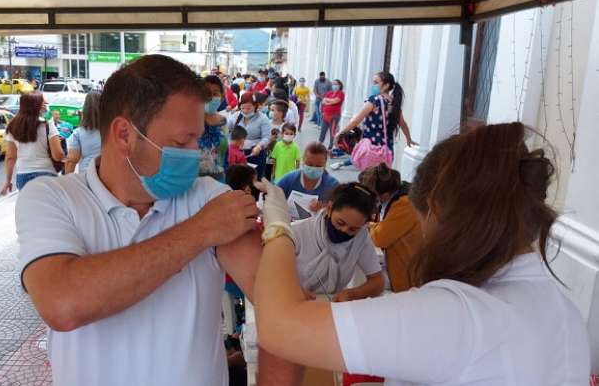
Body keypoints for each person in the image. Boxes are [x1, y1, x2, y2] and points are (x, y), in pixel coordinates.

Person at [15, 54, 298, 385]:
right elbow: (62, 303)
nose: (197, 153)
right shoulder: (52, 198)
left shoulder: (210, 199)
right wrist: (200, 231)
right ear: (124, 135)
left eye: (197, 138)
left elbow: (287, 313)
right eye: (182, 142)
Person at [253, 122, 590, 385]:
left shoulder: (458, 315)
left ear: (439, 209)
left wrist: (279, 226)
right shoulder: (563, 314)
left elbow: (279, 328)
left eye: (423, 224)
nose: (424, 238)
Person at [292, 182, 384, 301]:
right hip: (295, 302)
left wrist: (353, 294)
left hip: (335, 305)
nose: (344, 230)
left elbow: (377, 282)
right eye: (340, 222)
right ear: (329, 209)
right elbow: (270, 275)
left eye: (353, 229)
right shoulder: (297, 232)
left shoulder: (361, 237)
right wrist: (292, 289)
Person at [358, 164, 423, 293]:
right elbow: (381, 225)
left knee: (364, 281)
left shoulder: (405, 204)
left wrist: (370, 227)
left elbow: (380, 238)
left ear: (384, 195)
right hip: (397, 263)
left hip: (406, 274)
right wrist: (373, 226)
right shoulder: (396, 196)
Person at [332, 71, 416, 170]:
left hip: (371, 148)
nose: (373, 86)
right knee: (381, 180)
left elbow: (356, 121)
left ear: (386, 85)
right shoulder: (394, 104)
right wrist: (409, 139)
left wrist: (340, 133)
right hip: (387, 149)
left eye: (376, 83)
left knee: (368, 179)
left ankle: (342, 164)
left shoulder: (374, 100)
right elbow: (403, 124)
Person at [1, 92, 65, 193]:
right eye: (42, 102)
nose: (45, 104)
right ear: (37, 106)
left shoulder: (12, 127)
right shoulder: (48, 125)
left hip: (23, 175)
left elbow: (10, 157)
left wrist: (8, 181)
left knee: (29, 207)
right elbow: (58, 155)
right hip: (47, 173)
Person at [277, 142, 339, 213]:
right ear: (303, 160)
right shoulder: (288, 180)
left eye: (318, 165)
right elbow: (273, 198)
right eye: (309, 164)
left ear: (325, 164)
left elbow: (339, 211)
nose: (313, 168)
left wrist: (323, 208)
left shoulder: (333, 185)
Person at [227, 91, 272, 179]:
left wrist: (259, 146)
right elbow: (226, 129)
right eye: (242, 108)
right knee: (238, 180)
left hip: (255, 154)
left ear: (255, 106)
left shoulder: (263, 118)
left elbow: (267, 137)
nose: (245, 111)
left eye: (249, 108)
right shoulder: (236, 116)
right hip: (237, 154)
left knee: (254, 180)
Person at [65, 92, 103, 174]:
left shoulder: (78, 133)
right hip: (107, 177)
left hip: (86, 175)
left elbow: (73, 160)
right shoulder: (110, 130)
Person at [199, 76, 229, 180]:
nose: (211, 97)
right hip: (196, 181)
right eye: (207, 94)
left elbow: (225, 153)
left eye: (215, 93)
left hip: (220, 179)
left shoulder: (223, 121)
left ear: (222, 97)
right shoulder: (191, 122)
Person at [318, 79, 344, 150]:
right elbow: (323, 101)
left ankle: (330, 148)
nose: (334, 85)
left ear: (340, 85)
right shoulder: (329, 93)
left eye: (336, 84)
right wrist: (329, 102)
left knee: (332, 133)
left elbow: (336, 101)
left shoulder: (341, 93)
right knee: (323, 131)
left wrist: (328, 101)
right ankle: (319, 145)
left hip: (334, 116)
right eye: (333, 84)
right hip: (325, 115)